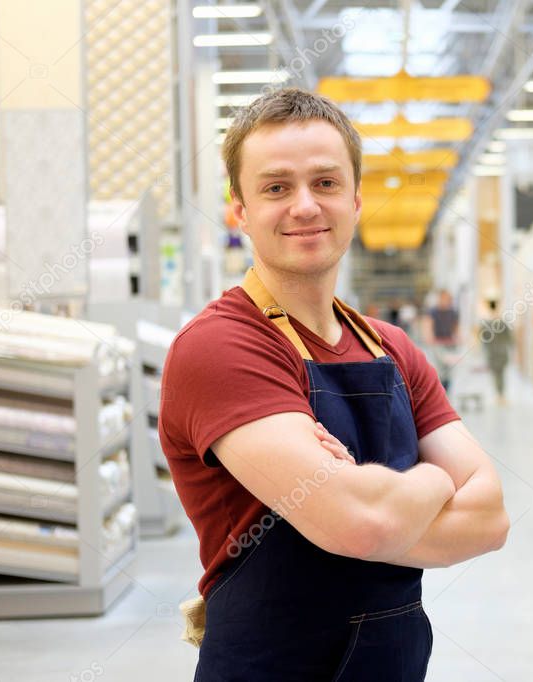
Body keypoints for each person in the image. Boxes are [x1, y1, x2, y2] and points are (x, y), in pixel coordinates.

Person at [158, 88, 509, 681]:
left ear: (355, 199)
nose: (304, 206)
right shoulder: (221, 348)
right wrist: (430, 479)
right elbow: (357, 523)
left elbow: (490, 519)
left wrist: (366, 505)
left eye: (325, 183)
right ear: (238, 210)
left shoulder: (392, 348)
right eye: (276, 187)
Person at [424, 289, 460, 392]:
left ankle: (447, 389)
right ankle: (440, 389)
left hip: (449, 343)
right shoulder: (433, 311)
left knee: (449, 368)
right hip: (437, 343)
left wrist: (457, 337)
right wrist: (429, 337)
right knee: (439, 368)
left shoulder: (452, 311)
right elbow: (428, 324)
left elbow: (455, 326)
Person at [480, 300, 512, 405]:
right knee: (500, 375)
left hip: (494, 353)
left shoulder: (486, 324)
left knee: (497, 375)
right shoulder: (502, 323)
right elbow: (510, 339)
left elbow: (483, 340)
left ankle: (499, 395)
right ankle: (500, 395)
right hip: (499, 353)